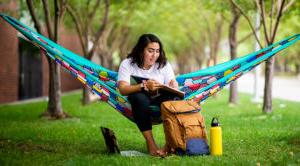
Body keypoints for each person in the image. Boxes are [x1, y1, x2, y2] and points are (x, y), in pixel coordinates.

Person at [117, 34, 178, 156]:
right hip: (139, 101)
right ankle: (152, 145)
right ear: (141, 50)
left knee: (174, 99)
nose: (154, 55)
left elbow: (172, 83)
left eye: (157, 51)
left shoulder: (163, 64)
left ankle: (168, 145)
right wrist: (143, 86)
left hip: (160, 100)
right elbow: (123, 89)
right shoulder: (127, 64)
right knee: (139, 98)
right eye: (150, 51)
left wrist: (173, 84)